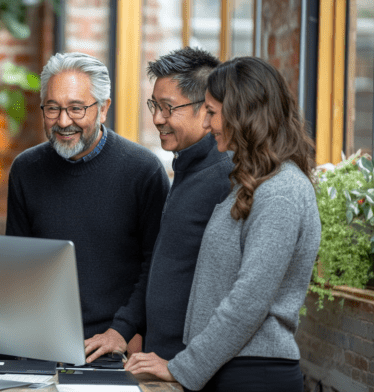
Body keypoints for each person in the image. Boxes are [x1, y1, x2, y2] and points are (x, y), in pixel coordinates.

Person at [125, 56, 321, 392]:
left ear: (241, 115)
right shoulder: (251, 186)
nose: (207, 123)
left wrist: (183, 367)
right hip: (231, 370)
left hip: (255, 375)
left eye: (212, 112)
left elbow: (248, 301)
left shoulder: (281, 192)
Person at [5, 52, 170, 362]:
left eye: (76, 109)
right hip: (40, 345)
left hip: (111, 348)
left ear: (104, 108)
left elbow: (158, 266)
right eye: (52, 108)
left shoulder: (143, 171)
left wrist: (123, 331)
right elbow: (17, 264)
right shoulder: (26, 170)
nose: (63, 121)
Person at [136, 47, 233, 362]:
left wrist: (185, 364)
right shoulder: (186, 166)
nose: (156, 118)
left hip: (188, 366)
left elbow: (231, 292)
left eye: (168, 108)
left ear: (206, 110)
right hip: (162, 359)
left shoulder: (226, 177)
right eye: (154, 105)